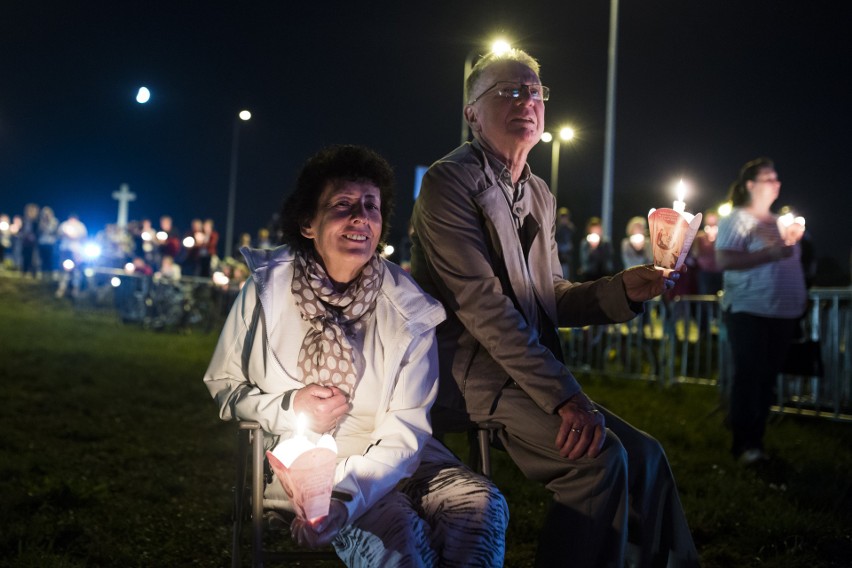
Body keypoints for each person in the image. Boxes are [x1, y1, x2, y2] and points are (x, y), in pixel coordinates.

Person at [410, 48, 698, 567]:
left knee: (648, 456)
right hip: (471, 373)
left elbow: (548, 295)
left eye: (535, 92)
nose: (527, 101)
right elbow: (486, 309)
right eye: (509, 91)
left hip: (525, 372)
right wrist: (566, 397)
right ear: (472, 112)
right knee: (597, 461)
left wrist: (623, 290)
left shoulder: (538, 193)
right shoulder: (447, 183)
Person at [204, 145, 508, 566]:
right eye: (342, 205)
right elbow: (225, 384)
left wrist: (352, 492)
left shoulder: (408, 307)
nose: (360, 217)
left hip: (400, 457)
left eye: (371, 206)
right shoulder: (265, 290)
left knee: (480, 505)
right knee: (396, 526)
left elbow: (406, 427)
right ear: (308, 223)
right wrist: (289, 406)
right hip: (307, 462)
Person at [715, 157, 807, 465]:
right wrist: (769, 253)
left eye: (777, 178)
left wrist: (790, 243)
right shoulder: (737, 219)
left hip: (782, 312)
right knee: (749, 375)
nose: (776, 183)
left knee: (767, 378)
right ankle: (743, 443)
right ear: (750, 185)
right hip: (749, 309)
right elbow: (725, 260)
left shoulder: (780, 224)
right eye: (768, 178)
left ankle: (757, 439)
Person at [690, 209, 723, 296]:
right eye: (710, 224)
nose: (712, 226)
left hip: (719, 271)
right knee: (706, 296)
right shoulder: (700, 238)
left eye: (714, 224)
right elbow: (695, 254)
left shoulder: (721, 237)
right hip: (705, 272)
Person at [578, 216, 614, 281]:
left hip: (603, 275)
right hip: (589, 275)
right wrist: (592, 249)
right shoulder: (585, 243)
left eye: (597, 230)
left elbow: (607, 260)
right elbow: (584, 261)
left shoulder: (606, 244)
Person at [554, 207, 575, 279]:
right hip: (557, 254)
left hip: (566, 256)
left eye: (565, 217)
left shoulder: (570, 228)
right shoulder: (556, 228)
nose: (564, 219)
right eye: (562, 217)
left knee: (566, 274)